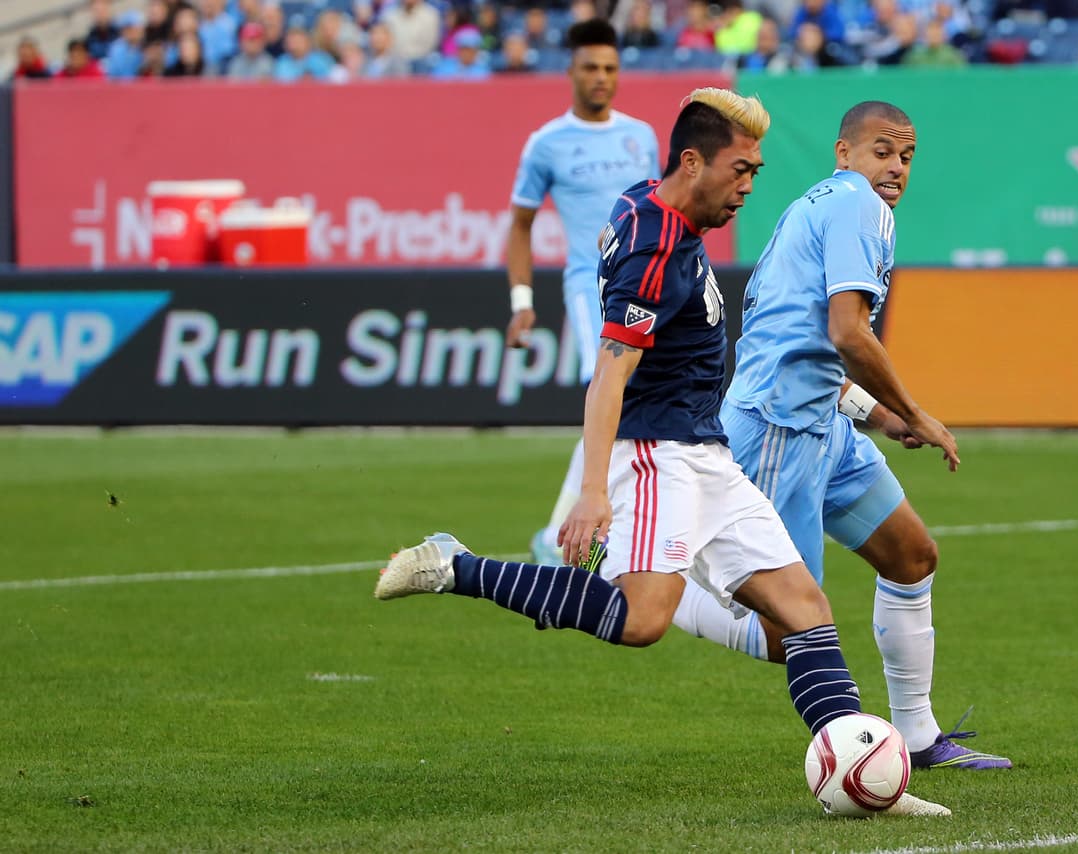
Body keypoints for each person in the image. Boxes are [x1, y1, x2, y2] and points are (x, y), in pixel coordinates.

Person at [374, 88, 946, 818]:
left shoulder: (654, 205)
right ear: (692, 163)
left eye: (756, 172)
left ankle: (865, 778)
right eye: (740, 171)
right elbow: (611, 369)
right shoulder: (652, 246)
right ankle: (454, 564)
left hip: (707, 450)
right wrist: (593, 489)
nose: (748, 188)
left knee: (803, 609)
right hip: (658, 454)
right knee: (643, 619)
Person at [671, 101, 1013, 772]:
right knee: (785, 633)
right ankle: (663, 585)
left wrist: (876, 417)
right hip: (776, 432)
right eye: (883, 151)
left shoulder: (814, 206)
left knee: (912, 555)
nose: (896, 168)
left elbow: (804, 342)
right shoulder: (860, 207)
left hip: (823, 424)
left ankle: (916, 736)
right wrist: (915, 412)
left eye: (907, 157)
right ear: (844, 153)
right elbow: (847, 334)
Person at [504, 19, 660, 567]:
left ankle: (601, 529)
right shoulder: (545, 144)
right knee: (610, 399)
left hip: (646, 287)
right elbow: (520, 225)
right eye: (591, 68)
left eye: (610, 69)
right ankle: (558, 537)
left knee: (627, 406)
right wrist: (522, 302)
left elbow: (661, 214)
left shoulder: (640, 135)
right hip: (588, 289)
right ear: (570, 70)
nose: (601, 78)